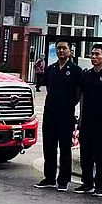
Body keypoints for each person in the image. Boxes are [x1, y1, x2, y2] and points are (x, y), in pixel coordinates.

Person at [35, 41, 82, 191]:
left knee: (65, 148)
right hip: (50, 113)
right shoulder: (51, 69)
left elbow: (78, 93)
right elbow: (49, 88)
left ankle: (63, 180)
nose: (61, 50)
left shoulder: (76, 70)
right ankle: (49, 178)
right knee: (49, 146)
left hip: (66, 114)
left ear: (70, 50)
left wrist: (68, 104)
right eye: (59, 48)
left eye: (64, 48)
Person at [75, 43, 102, 197]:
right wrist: (81, 115)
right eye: (92, 54)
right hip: (87, 118)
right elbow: (82, 95)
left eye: (97, 54)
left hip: (101, 119)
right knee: (85, 152)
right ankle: (87, 183)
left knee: (99, 154)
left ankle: (99, 185)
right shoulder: (87, 74)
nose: (93, 57)